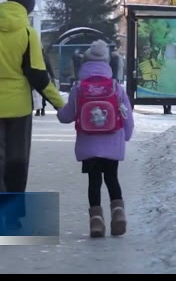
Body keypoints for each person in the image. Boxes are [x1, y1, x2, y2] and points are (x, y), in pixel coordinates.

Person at [0, 0, 65, 227]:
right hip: (19, 108)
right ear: (28, 8)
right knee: (17, 159)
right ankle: (12, 214)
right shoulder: (29, 33)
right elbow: (38, 74)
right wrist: (60, 103)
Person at [57, 39, 134, 238]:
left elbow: (67, 116)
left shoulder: (79, 88)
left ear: (86, 63)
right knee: (112, 178)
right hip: (111, 142)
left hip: (89, 144)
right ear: (107, 64)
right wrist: (126, 135)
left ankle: (96, 222)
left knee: (94, 182)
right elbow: (127, 115)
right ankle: (118, 215)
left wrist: (59, 112)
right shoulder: (116, 87)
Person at [35, 48, 56, 116]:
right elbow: (49, 67)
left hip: (37, 77)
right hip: (44, 77)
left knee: (38, 94)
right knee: (43, 93)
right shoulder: (46, 57)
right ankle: (43, 109)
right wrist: (52, 76)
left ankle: (38, 110)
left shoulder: (35, 57)